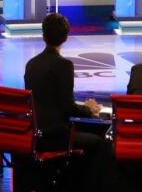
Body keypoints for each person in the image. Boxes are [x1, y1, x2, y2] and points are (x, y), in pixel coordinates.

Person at [23, 13, 103, 151]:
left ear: (43, 35)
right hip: (55, 135)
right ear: (65, 38)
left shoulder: (31, 64)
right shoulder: (64, 65)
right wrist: (88, 108)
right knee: (101, 141)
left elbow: (46, 101)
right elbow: (67, 107)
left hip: (34, 132)